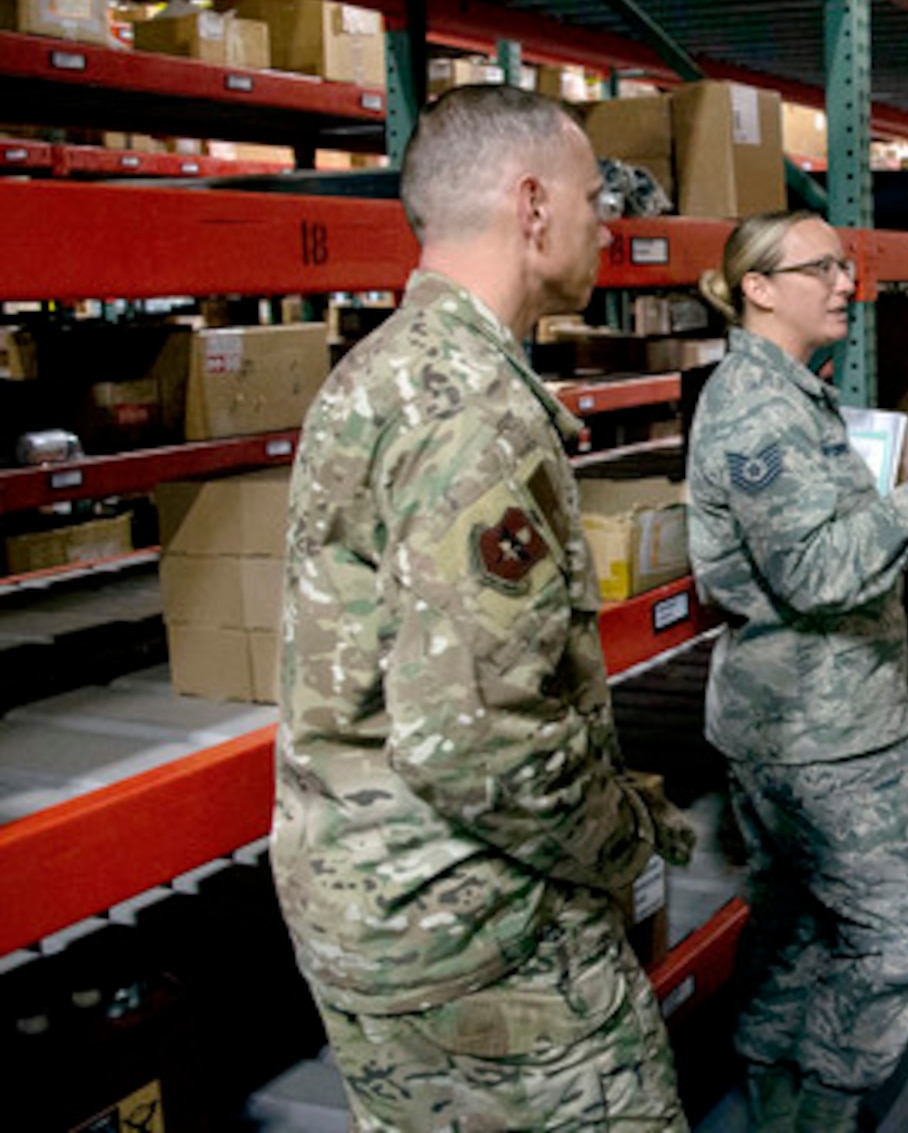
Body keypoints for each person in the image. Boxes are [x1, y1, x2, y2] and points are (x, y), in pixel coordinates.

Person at [273, 84, 695, 1131]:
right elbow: (477, 744)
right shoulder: (474, 409)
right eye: (595, 197)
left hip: (375, 906)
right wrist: (625, 837)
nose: (609, 224)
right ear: (534, 206)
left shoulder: (379, 371)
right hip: (482, 935)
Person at [688, 211, 908, 1132]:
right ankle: (821, 1106)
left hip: (807, 714)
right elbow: (813, 573)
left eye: (848, 264)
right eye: (822, 267)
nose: (846, 282)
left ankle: (774, 1094)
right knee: (897, 928)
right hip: (824, 731)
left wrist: (903, 515)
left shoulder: (789, 393)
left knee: (796, 919)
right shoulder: (758, 409)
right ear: (759, 287)